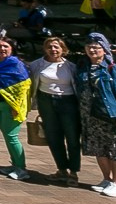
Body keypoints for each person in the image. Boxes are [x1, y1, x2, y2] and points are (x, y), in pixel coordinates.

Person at [80, 37, 116, 197]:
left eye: (96, 47)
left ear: (104, 50)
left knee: (114, 149)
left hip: (109, 116)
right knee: (99, 148)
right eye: (89, 47)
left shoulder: (114, 69)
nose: (92, 50)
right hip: (90, 115)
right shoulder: (83, 67)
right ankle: (107, 179)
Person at [27, 34, 83, 184]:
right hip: (46, 101)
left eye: (56, 47)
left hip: (68, 102)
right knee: (53, 137)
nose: (53, 49)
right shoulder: (36, 65)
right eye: (49, 47)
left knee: (72, 137)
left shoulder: (71, 67)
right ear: (45, 49)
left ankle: (73, 172)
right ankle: (62, 169)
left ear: (63, 49)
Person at [0, 33, 32, 180]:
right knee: (6, 135)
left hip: (10, 106)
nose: (2, 49)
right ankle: (14, 164)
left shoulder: (16, 64)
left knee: (12, 137)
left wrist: (16, 107)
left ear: (12, 48)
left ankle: (21, 169)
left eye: (5, 46)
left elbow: (23, 87)